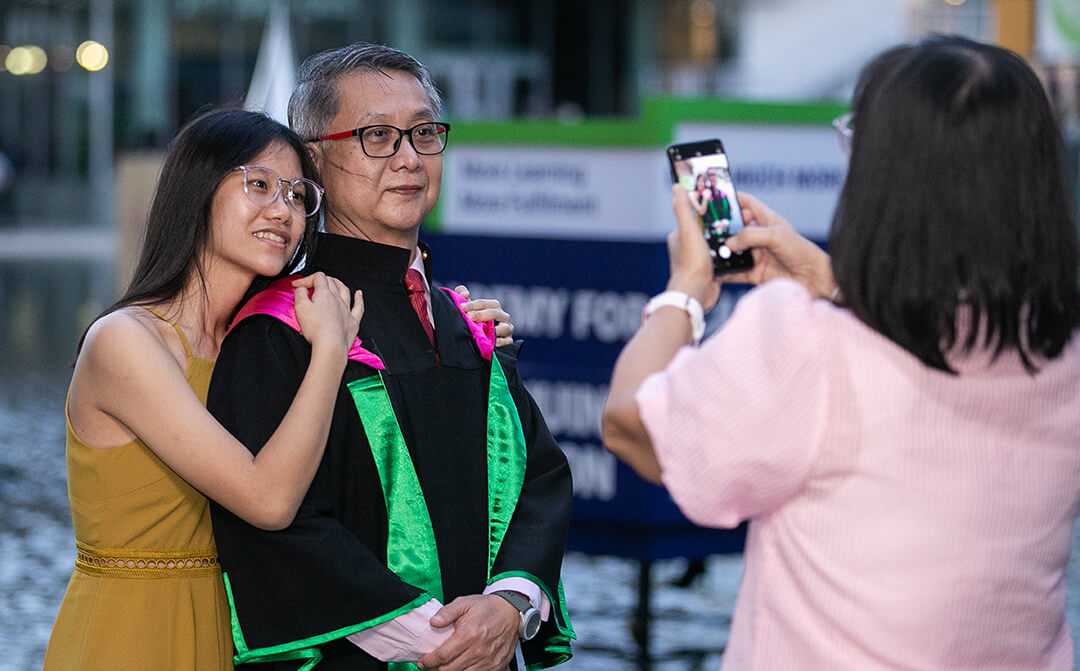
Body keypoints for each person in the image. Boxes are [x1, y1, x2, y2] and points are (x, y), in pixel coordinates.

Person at [602, 34, 1080, 670]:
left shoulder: (809, 341)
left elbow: (632, 422)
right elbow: (935, 338)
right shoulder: (1061, 346)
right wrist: (831, 282)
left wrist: (686, 291)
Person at [207, 43, 575, 671]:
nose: (408, 158)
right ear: (314, 160)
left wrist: (511, 606)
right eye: (377, 135)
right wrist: (443, 640)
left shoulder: (468, 325)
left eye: (424, 133)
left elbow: (540, 477)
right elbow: (277, 530)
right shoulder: (280, 330)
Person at [42, 107, 364, 670]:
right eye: (259, 185)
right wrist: (331, 351)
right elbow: (268, 501)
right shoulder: (125, 341)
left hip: (234, 635)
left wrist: (466, 324)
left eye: (296, 195)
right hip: (130, 635)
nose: (282, 211)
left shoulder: (257, 345)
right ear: (197, 190)